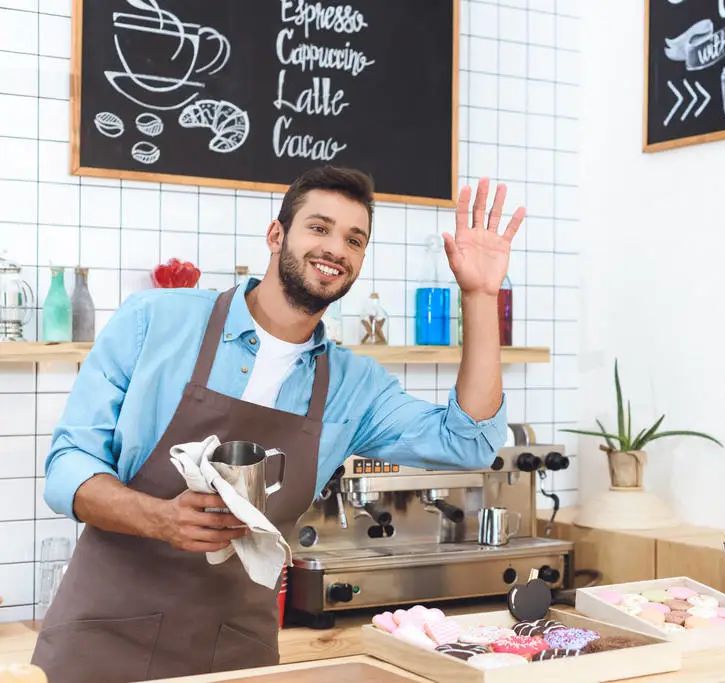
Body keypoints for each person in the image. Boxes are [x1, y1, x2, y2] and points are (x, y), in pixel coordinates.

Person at [31, 166, 525, 682]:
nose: (335, 248)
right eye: (319, 227)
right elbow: (69, 467)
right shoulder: (154, 320)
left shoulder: (354, 386)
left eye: (354, 240)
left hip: (233, 653)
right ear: (276, 234)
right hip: (102, 640)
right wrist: (160, 518)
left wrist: (479, 296)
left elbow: (468, 442)